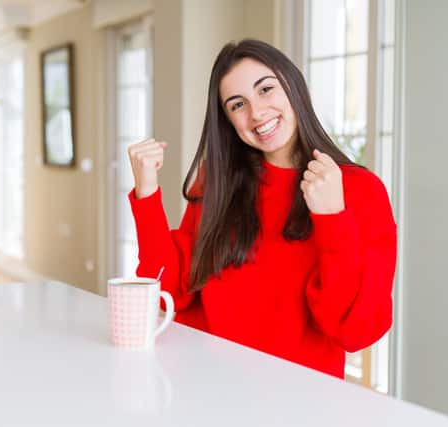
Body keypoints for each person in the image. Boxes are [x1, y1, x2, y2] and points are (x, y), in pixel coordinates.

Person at [127, 39, 397, 379]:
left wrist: (332, 220)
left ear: (294, 87)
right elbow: (166, 294)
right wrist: (146, 191)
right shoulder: (218, 181)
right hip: (202, 386)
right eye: (237, 104)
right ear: (228, 121)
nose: (256, 113)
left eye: (266, 89)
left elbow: (355, 332)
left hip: (299, 400)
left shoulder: (359, 190)